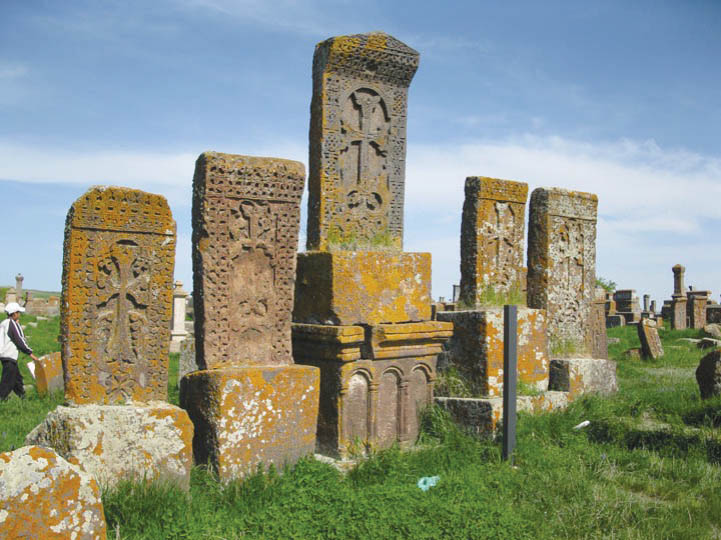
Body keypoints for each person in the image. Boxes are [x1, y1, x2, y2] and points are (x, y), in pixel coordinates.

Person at [0, 302, 38, 401]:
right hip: (9, 356)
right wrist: (30, 353)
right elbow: (19, 340)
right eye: (18, 312)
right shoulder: (12, 323)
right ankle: (1, 399)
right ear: (14, 314)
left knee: (17, 379)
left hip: (4, 355)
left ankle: (23, 397)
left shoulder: (3, 323)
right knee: (7, 381)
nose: (19, 314)